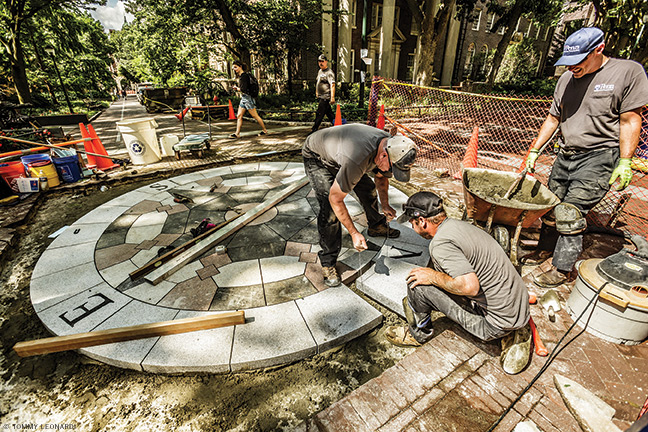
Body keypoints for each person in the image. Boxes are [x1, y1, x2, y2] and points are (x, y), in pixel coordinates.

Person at [522, 27, 648, 288]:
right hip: (566, 153)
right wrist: (534, 149)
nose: (572, 68)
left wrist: (625, 160)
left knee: (570, 212)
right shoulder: (566, 80)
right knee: (551, 208)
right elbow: (553, 118)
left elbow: (630, 119)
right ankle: (544, 252)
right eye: (568, 62)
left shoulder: (627, 72)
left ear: (598, 50)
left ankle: (561, 268)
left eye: (578, 61)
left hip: (599, 156)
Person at [385, 192, 531, 372]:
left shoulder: (440, 244)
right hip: (519, 309)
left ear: (422, 221)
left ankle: (418, 335)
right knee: (436, 276)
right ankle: (514, 328)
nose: (413, 227)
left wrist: (432, 276)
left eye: (412, 223)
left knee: (417, 284)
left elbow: (469, 286)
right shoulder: (459, 226)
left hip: (494, 324)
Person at [302, 123, 417, 287]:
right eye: (394, 169)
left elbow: (381, 176)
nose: (392, 173)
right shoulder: (357, 158)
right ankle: (328, 261)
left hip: (343, 153)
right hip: (317, 156)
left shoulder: (389, 146)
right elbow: (336, 199)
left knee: (368, 188)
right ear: (383, 156)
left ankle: (376, 226)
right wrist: (354, 233)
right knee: (329, 210)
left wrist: (385, 205)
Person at [230, 60, 268, 139]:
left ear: (240, 67)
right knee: (239, 116)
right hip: (244, 98)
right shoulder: (242, 76)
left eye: (235, 67)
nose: (234, 69)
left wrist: (237, 88)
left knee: (255, 115)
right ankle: (237, 133)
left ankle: (264, 130)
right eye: (233, 67)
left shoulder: (244, 76)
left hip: (248, 98)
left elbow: (244, 89)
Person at [311, 54, 336, 134]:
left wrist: (332, 97)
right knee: (329, 114)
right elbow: (318, 82)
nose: (320, 63)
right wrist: (317, 92)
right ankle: (338, 125)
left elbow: (332, 85)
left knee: (319, 113)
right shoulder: (320, 71)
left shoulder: (329, 72)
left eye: (322, 61)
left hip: (326, 96)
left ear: (326, 62)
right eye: (319, 61)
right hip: (321, 96)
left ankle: (314, 129)